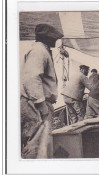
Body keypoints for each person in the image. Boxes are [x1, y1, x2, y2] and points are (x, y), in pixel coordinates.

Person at [20, 24, 63, 158]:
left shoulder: (42, 50)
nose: (56, 41)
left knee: (41, 143)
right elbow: (31, 78)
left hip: (36, 103)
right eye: (54, 38)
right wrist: (41, 104)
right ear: (47, 38)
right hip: (36, 104)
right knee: (38, 144)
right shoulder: (39, 51)